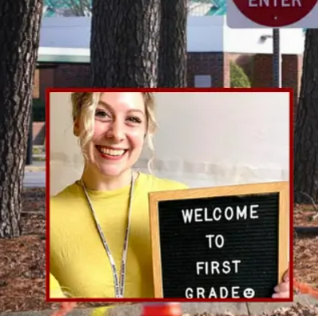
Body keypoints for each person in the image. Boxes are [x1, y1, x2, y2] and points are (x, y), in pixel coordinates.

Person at [49, 91, 291, 300]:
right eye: (101, 114)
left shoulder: (182, 203)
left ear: (147, 131)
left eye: (132, 119)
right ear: (77, 122)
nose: (116, 133)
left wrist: (275, 288)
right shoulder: (51, 217)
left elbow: (232, 284)